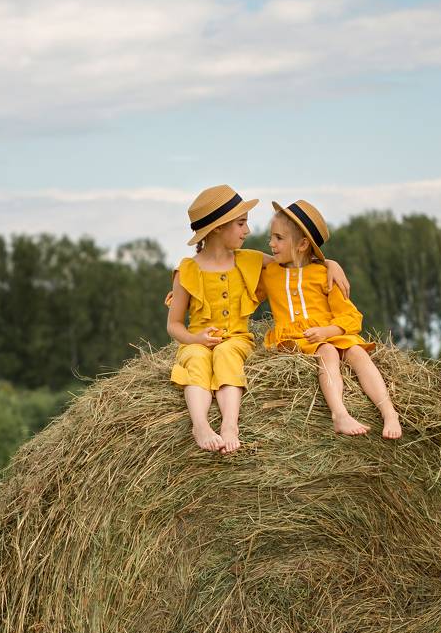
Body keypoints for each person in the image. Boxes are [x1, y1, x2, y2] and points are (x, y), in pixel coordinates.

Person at [167, 185, 351, 452]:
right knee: (196, 358)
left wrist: (330, 264)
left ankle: (230, 425)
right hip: (196, 340)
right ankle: (201, 425)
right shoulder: (186, 271)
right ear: (217, 228)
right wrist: (195, 339)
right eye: (241, 223)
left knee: (227, 354)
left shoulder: (251, 260)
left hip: (237, 339)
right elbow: (173, 325)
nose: (248, 231)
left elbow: (297, 261)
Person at [263, 198, 402, 439]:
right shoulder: (269, 273)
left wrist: (328, 331)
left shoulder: (324, 274)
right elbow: (237, 267)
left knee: (358, 353)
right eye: (271, 237)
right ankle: (340, 414)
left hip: (328, 333)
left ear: (303, 244)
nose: (271, 244)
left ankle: (389, 412)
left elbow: (351, 316)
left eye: (279, 238)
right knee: (327, 351)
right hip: (294, 338)